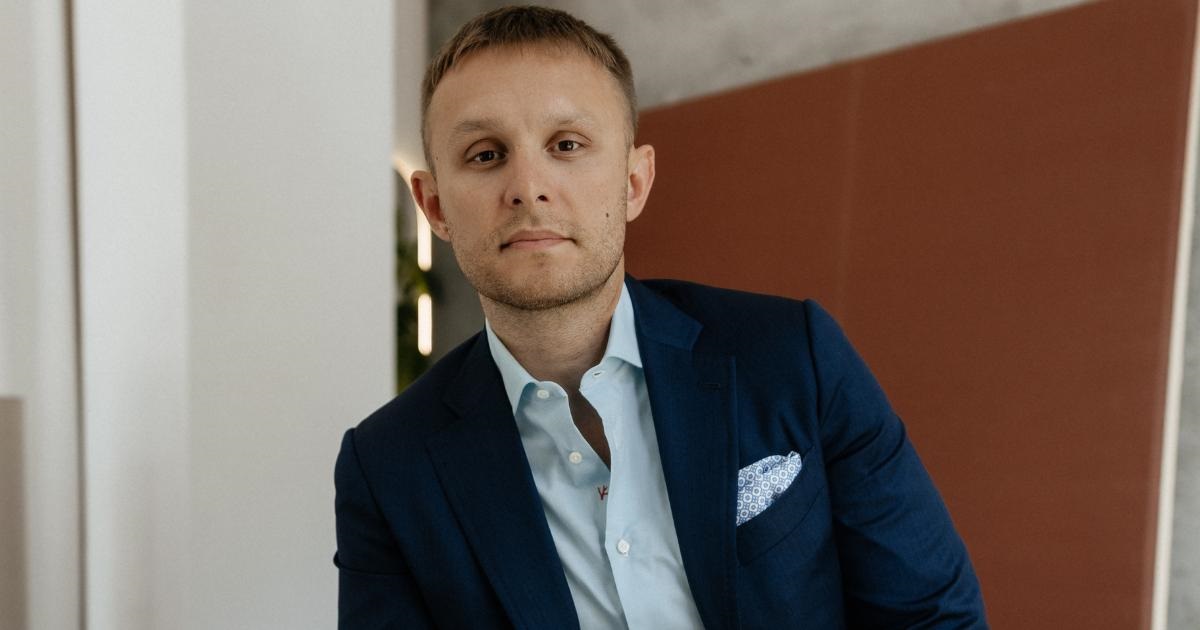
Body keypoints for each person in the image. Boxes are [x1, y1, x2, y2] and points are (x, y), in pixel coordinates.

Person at [334, 6, 986, 629]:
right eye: (485, 154)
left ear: (634, 182)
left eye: (567, 144)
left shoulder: (795, 359)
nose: (528, 186)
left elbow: (933, 617)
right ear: (435, 206)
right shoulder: (387, 467)